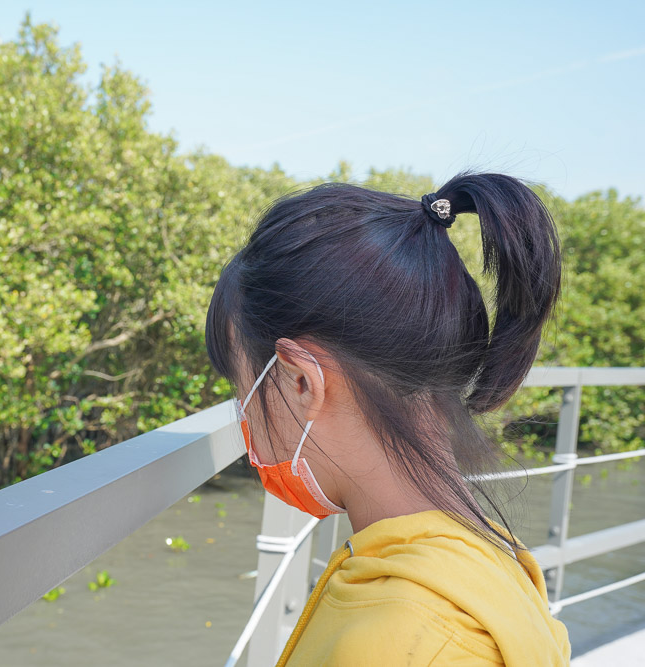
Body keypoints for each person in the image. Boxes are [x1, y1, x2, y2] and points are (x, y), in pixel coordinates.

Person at [205, 172, 572, 665]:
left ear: (300, 382)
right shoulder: (491, 560)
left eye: (243, 388)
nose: (244, 415)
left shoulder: (397, 638)